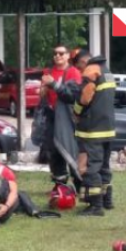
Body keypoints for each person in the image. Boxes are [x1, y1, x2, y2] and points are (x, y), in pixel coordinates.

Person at [71, 51, 117, 216]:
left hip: (92, 129)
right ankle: (107, 200)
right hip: (108, 128)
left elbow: (85, 98)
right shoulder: (107, 71)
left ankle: (95, 206)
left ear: (84, 61)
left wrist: (76, 113)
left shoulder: (91, 70)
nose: (80, 71)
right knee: (104, 165)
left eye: (79, 66)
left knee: (91, 167)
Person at [40, 44, 83, 191]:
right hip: (52, 115)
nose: (57, 56)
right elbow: (42, 95)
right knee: (54, 150)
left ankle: (78, 183)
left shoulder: (73, 72)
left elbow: (73, 96)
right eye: (55, 53)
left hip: (68, 117)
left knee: (70, 148)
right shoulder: (48, 72)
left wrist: (54, 84)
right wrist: (43, 89)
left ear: (68, 56)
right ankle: (60, 184)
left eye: (61, 53)